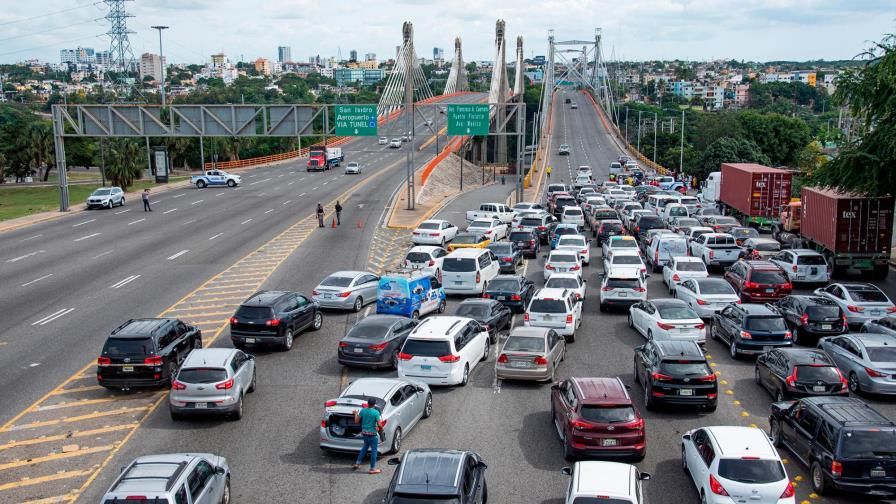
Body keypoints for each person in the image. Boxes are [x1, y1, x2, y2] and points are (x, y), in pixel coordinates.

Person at [352, 398, 384, 474]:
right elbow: (379, 424)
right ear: (374, 404)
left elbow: (356, 421)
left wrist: (355, 413)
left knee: (364, 448)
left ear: (368, 403)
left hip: (364, 434)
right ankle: (372, 469)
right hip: (373, 435)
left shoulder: (363, 410)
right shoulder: (376, 412)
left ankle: (357, 463)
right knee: (374, 451)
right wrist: (381, 428)